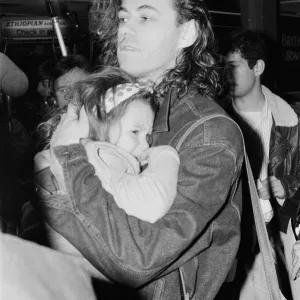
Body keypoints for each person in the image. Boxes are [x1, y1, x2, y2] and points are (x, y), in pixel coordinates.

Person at [37, 1, 244, 299]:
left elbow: (137, 260)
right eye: (123, 17)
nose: (127, 29)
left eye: (145, 17)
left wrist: (67, 160)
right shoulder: (110, 101)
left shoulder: (209, 134)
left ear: (187, 33)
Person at [35, 67, 180, 225]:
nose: (146, 143)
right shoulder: (104, 156)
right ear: (100, 123)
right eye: (134, 131)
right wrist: (167, 155)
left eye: (148, 135)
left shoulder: (90, 154)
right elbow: (151, 206)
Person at [225, 30, 300, 300]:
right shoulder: (216, 120)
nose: (227, 75)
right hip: (237, 235)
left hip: (277, 231)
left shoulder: (289, 120)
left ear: (258, 67)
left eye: (234, 67)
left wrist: (286, 185)